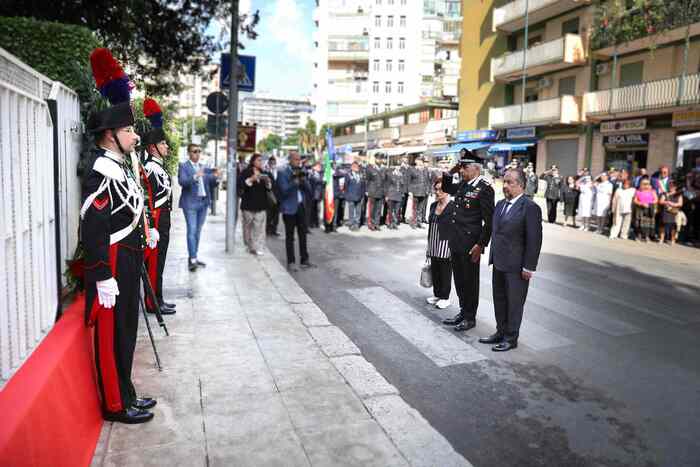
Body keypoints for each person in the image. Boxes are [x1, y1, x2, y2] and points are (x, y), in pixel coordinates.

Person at [81, 48, 155, 423]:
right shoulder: (101, 170)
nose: (134, 136)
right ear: (109, 134)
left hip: (128, 257)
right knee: (111, 337)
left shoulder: (119, 166)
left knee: (126, 330)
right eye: (127, 130)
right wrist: (101, 274)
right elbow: (93, 227)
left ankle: (127, 392)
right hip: (111, 261)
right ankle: (115, 404)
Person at [480, 168, 542, 352]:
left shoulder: (530, 208)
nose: (505, 186)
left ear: (521, 185)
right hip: (499, 262)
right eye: (504, 182)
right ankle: (500, 331)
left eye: (509, 182)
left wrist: (529, 267)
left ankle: (511, 337)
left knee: (514, 303)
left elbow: (534, 240)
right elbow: (495, 232)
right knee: (499, 300)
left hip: (516, 266)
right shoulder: (500, 205)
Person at [440, 151, 495, 332]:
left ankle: (470, 317)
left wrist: (481, 244)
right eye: (461, 167)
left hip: (471, 244)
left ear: (476, 168)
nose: (462, 170)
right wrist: (451, 170)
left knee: (470, 281)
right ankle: (463, 311)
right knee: (459, 279)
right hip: (456, 240)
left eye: (465, 167)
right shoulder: (464, 184)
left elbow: (489, 221)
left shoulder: (485, 188)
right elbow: (447, 187)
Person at [140, 97, 175, 315]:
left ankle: (159, 297)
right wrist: (152, 225)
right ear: (153, 148)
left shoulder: (158, 166)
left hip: (164, 216)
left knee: (160, 261)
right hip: (157, 216)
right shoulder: (151, 168)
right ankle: (153, 302)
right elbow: (149, 198)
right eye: (163, 144)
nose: (166, 147)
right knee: (155, 261)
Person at [178, 144, 219, 271]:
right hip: (190, 204)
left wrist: (216, 176)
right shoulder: (184, 166)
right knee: (191, 231)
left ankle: (194, 256)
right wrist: (196, 176)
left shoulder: (203, 167)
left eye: (199, 151)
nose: (197, 154)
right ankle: (192, 259)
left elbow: (211, 182)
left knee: (198, 231)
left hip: (203, 203)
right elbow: (182, 182)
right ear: (189, 153)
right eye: (195, 151)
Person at [277, 151, 315, 271]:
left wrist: (304, 181)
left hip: (300, 207)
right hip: (289, 209)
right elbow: (283, 190)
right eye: (296, 160)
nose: (298, 162)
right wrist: (294, 182)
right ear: (290, 160)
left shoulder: (301, 171)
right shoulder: (283, 172)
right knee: (290, 236)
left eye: (299, 160)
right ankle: (291, 261)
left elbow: (309, 191)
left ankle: (304, 259)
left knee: (303, 235)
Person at [426, 179, 453, 310]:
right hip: (433, 243)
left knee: (445, 272)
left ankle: (445, 297)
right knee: (435, 270)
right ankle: (437, 295)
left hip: (446, 245)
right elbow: (430, 226)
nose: (437, 192)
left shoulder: (453, 206)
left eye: (440, 189)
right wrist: (428, 246)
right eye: (436, 189)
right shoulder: (433, 205)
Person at [239, 153, 272, 256]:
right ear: (253, 161)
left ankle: (257, 246)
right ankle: (249, 245)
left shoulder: (265, 173)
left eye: (261, 160)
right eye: (258, 160)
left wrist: (268, 182)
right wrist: (251, 179)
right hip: (248, 204)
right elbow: (240, 185)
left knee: (259, 227)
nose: (260, 162)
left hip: (261, 204)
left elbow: (270, 188)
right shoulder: (246, 172)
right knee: (247, 227)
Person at [408, 156, 432, 229]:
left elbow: (428, 181)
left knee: (420, 208)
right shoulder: (412, 170)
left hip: (423, 192)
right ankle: (414, 223)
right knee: (415, 208)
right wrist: (410, 191)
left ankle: (419, 222)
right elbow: (409, 181)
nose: (421, 162)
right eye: (419, 160)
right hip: (415, 192)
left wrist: (428, 190)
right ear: (416, 161)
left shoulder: (425, 170)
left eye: (422, 161)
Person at [633, 177, 658, 242]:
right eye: (644, 184)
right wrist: (641, 204)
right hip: (640, 209)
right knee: (639, 224)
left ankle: (647, 237)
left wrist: (649, 203)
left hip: (649, 209)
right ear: (641, 184)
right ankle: (639, 236)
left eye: (647, 183)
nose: (646, 185)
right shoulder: (638, 191)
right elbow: (635, 200)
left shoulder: (652, 191)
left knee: (648, 224)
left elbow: (656, 200)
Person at [659, 180, 683, 245]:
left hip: (674, 212)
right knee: (663, 225)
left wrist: (672, 204)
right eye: (670, 185)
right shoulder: (665, 193)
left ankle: (672, 240)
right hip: (665, 211)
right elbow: (660, 201)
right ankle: (661, 239)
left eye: (673, 185)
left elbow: (680, 204)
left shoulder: (678, 194)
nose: (671, 187)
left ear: (675, 187)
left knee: (673, 226)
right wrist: (667, 202)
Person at [343, 161, 365, 231]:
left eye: (357, 167)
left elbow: (363, 186)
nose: (357, 168)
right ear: (352, 167)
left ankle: (357, 224)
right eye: (355, 167)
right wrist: (347, 196)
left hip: (359, 196)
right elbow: (345, 186)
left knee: (358, 211)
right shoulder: (348, 175)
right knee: (351, 211)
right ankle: (351, 224)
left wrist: (362, 195)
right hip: (351, 196)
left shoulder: (361, 175)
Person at [365, 159, 385, 231]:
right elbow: (367, 180)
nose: (379, 160)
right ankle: (371, 224)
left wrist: (385, 192)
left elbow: (385, 182)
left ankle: (377, 223)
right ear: (375, 159)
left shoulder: (383, 169)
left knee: (379, 209)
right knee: (372, 209)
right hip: (372, 192)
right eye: (378, 158)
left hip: (380, 192)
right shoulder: (370, 169)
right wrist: (367, 190)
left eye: (380, 158)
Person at [385, 163, 406, 230]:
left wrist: (402, 193)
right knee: (390, 210)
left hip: (398, 195)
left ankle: (394, 223)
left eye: (399, 166)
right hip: (391, 194)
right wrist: (387, 195)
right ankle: (390, 223)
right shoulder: (391, 174)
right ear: (394, 166)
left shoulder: (401, 175)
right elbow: (387, 185)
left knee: (397, 211)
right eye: (397, 166)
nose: (398, 167)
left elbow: (403, 185)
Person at [265, 156, 281, 236]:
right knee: (269, 214)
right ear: (269, 163)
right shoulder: (266, 172)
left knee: (276, 214)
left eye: (274, 163)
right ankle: (267, 230)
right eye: (271, 163)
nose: (273, 164)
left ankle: (274, 229)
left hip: (278, 196)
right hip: (270, 196)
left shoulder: (278, 172)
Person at [399, 157, 410, 223]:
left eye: (406, 160)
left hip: (407, 189)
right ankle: (397, 217)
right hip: (401, 189)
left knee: (405, 204)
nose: (406, 161)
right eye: (404, 160)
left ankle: (403, 217)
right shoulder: (400, 168)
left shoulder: (409, 168)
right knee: (400, 204)